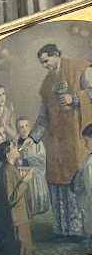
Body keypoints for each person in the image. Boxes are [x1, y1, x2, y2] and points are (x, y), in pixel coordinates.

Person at [23, 43, 92, 239]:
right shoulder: (47, 83)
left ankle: (80, 229)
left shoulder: (80, 68)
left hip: (77, 137)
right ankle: (64, 229)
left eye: (46, 61)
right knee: (57, 181)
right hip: (56, 142)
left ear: (56, 55)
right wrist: (32, 137)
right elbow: (44, 116)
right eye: (42, 63)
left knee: (77, 180)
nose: (45, 65)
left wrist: (75, 98)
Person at [0, 139, 34, 255]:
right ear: (8, 155)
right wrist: (24, 181)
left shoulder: (10, 168)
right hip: (16, 217)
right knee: (21, 253)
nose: (17, 148)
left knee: (25, 250)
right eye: (13, 147)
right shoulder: (7, 171)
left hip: (20, 215)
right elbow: (11, 199)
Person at [16, 116, 49, 216]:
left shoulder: (37, 143)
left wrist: (26, 161)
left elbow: (42, 160)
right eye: (21, 127)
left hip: (37, 179)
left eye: (27, 126)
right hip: (24, 178)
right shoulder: (15, 144)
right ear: (18, 130)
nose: (25, 129)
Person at [73, 124, 92, 245]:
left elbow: (89, 186)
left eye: (87, 141)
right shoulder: (88, 160)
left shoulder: (89, 163)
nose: (85, 145)